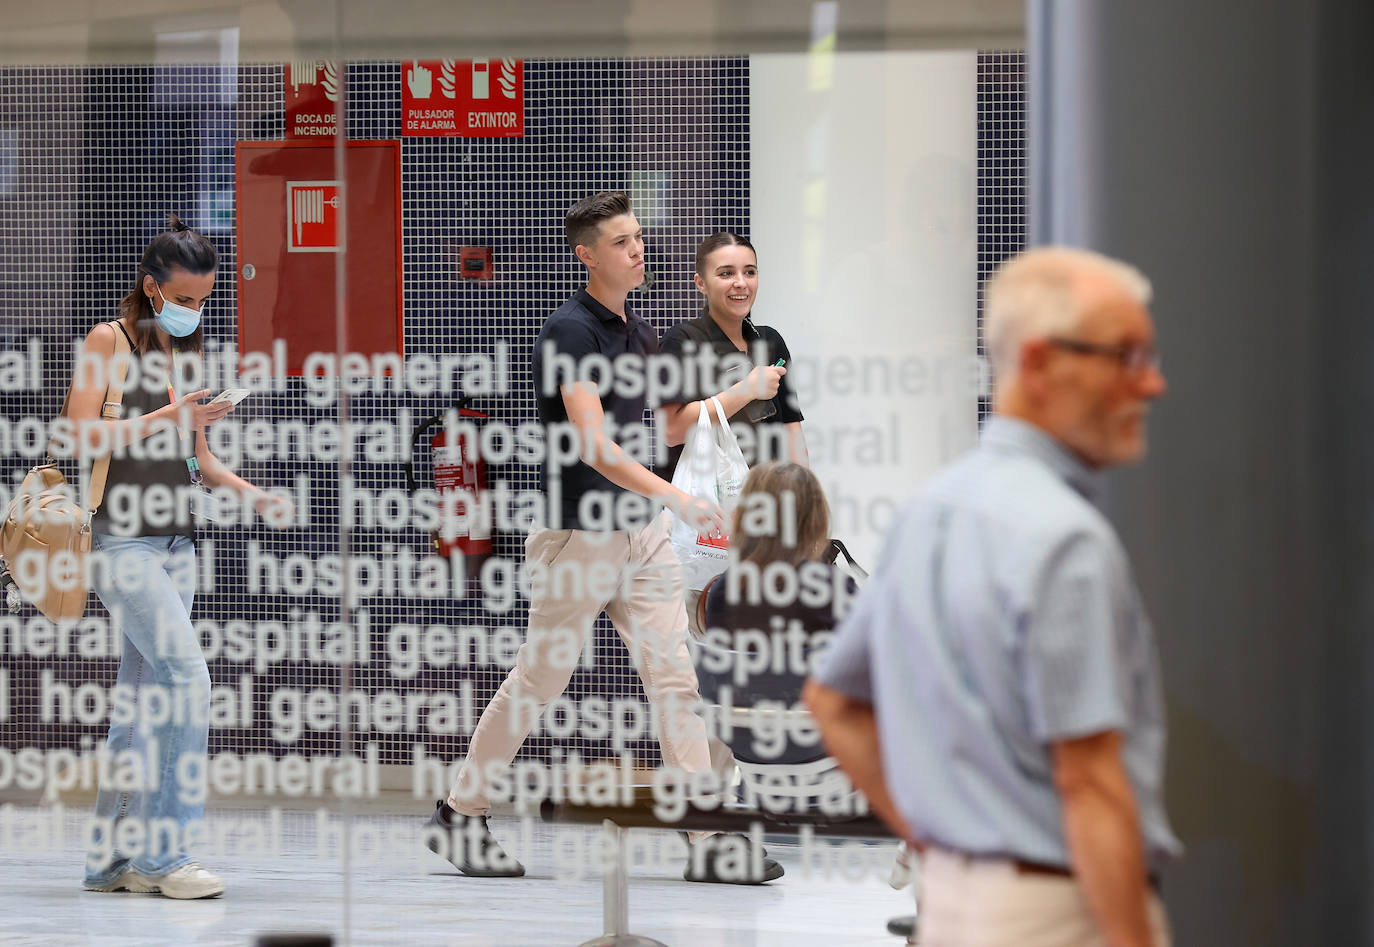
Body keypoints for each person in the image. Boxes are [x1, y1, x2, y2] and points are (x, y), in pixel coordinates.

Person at [804, 246, 1181, 946]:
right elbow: (1089, 783)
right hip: (1064, 912)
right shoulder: (1066, 541)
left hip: (949, 903)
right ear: (1039, 364)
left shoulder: (928, 512)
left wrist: (935, 837)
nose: (1151, 383)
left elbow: (833, 703)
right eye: (1125, 356)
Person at [425, 191, 784, 885]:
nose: (638, 249)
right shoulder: (570, 332)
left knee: (677, 676)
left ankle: (708, 836)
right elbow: (593, 444)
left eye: (640, 237)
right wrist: (676, 496)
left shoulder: (641, 333)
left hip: (641, 534)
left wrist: (734, 402)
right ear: (586, 255)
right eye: (622, 241)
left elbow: (664, 429)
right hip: (579, 536)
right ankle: (460, 812)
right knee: (540, 679)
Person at [74, 215, 293, 900]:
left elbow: (198, 460)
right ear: (151, 285)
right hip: (123, 540)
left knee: (139, 704)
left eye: (204, 300)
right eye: (185, 298)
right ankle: (165, 857)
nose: (194, 311)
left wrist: (253, 492)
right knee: (188, 676)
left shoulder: (184, 355)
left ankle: (110, 859)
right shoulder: (107, 341)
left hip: (177, 543)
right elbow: (81, 432)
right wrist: (171, 416)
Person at [658, 232, 809, 638]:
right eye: (725, 273)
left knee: (767, 643)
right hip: (712, 515)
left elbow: (790, 425)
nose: (740, 283)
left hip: (769, 518)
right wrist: (745, 391)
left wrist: (806, 504)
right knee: (707, 638)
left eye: (749, 272)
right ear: (700, 282)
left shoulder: (770, 340)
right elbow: (671, 428)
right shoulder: (682, 341)